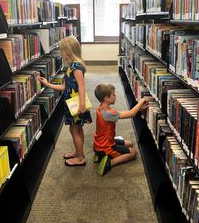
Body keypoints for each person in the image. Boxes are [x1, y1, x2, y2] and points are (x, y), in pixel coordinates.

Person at [39, 36, 92, 166]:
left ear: (68, 51)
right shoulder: (69, 66)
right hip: (71, 103)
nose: (60, 53)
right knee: (76, 129)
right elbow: (64, 87)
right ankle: (78, 152)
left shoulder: (76, 67)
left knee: (75, 129)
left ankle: (80, 158)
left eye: (61, 50)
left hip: (77, 104)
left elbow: (81, 86)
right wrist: (48, 84)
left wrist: (82, 105)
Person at [93, 83, 151, 176]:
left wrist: (139, 109)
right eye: (113, 94)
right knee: (133, 153)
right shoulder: (109, 114)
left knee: (130, 144)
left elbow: (126, 113)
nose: (115, 96)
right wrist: (142, 100)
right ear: (106, 98)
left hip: (100, 143)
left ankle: (99, 154)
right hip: (107, 146)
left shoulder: (101, 109)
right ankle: (109, 162)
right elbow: (131, 114)